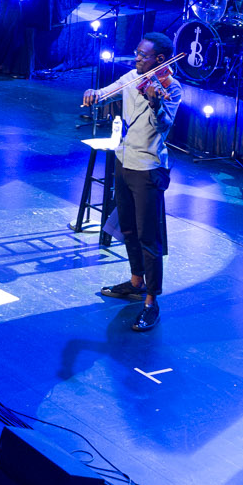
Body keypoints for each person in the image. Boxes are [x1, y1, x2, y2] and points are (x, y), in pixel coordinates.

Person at [84, 32, 179, 331]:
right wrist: (94, 93)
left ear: (160, 60)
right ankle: (136, 281)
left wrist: (154, 104)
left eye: (143, 54)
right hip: (124, 161)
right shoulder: (131, 77)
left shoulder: (172, 89)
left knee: (149, 237)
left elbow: (163, 127)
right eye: (137, 52)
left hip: (148, 168)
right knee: (128, 228)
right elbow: (108, 91)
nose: (136, 57)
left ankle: (151, 301)